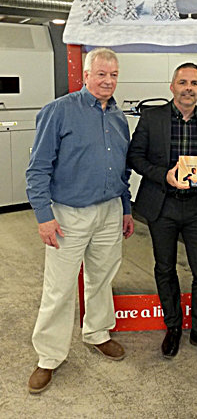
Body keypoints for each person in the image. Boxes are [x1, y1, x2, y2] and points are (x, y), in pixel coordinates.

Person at [26, 47, 134, 393]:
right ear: (86, 75)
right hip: (68, 215)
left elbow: (123, 169)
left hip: (110, 211)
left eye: (113, 74)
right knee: (59, 288)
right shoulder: (59, 112)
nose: (107, 80)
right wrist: (44, 216)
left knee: (102, 278)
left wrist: (126, 208)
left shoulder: (119, 118)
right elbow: (38, 168)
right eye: (101, 73)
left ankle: (97, 333)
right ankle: (48, 356)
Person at [128, 62, 197, 360]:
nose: (189, 88)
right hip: (162, 204)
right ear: (172, 86)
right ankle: (173, 326)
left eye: (195, 83)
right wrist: (164, 175)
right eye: (183, 82)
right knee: (165, 268)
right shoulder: (152, 117)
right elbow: (135, 156)